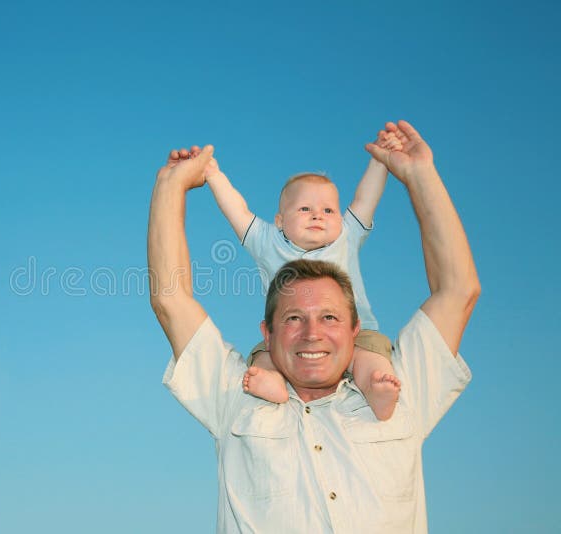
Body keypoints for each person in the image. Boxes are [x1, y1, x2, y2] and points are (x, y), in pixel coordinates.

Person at [147, 120, 480, 532]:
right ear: (266, 333)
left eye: (330, 317)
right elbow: (170, 300)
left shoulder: (399, 386)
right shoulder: (238, 396)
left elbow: (458, 290)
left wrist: (418, 173)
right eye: (292, 318)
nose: (312, 333)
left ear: (356, 330)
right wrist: (170, 186)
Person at [204, 130, 402, 420]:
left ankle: (377, 390)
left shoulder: (345, 237)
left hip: (356, 333)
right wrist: (212, 174)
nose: (317, 216)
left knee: (371, 357)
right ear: (280, 221)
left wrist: (380, 161)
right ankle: (273, 382)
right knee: (264, 355)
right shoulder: (266, 241)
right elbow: (237, 210)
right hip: (290, 338)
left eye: (328, 210)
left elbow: (365, 199)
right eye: (305, 209)